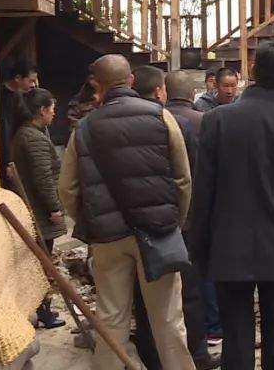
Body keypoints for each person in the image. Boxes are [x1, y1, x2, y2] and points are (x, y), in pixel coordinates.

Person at [58, 54, 195, 370]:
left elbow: (67, 189)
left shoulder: (85, 128)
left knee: (111, 317)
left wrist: (88, 219)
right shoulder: (160, 117)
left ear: (97, 85)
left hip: (107, 237)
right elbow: (182, 178)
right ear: (131, 80)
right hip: (159, 232)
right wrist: (176, 221)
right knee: (168, 319)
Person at [191, 41, 274, 370]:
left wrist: (199, 248)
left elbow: (203, 192)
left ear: (252, 71)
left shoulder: (217, 121)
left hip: (228, 246)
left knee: (236, 337)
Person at [130, 67, 220, 370]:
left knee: (145, 295)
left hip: (133, 224)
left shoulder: (96, 124)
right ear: (160, 91)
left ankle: (151, 357)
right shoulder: (180, 123)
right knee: (189, 291)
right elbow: (191, 177)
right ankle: (196, 355)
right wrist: (190, 216)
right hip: (181, 220)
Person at [10, 87, 66, 330]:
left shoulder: (32, 133)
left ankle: (41, 307)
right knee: (42, 262)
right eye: (52, 109)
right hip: (39, 211)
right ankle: (42, 309)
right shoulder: (32, 138)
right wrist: (55, 207)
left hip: (35, 207)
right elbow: (43, 177)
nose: (54, 114)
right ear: (42, 110)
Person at [0, 59, 39, 183]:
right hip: (2, 153)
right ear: (17, 78)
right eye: (31, 81)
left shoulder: (17, 95)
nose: (33, 85)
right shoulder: (1, 96)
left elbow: (26, 116)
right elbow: (3, 130)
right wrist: (7, 162)